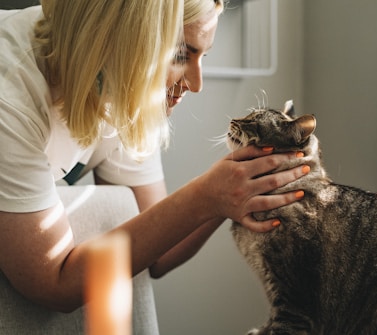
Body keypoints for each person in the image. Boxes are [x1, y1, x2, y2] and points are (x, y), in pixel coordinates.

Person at [0, 0, 309, 314]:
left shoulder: (124, 82)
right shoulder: (9, 93)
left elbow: (160, 252)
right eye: (179, 55)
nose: (196, 84)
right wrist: (207, 195)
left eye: (202, 55)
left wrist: (232, 191)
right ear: (116, 38)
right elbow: (53, 283)